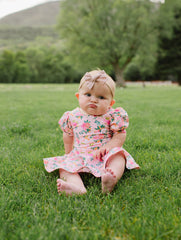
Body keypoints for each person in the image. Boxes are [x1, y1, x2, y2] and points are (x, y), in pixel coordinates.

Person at [43, 70, 140, 195]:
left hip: (106, 154)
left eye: (101, 97)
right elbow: (68, 135)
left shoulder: (112, 115)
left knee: (118, 157)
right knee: (64, 168)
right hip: (80, 154)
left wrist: (108, 147)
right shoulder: (72, 116)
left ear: (111, 103)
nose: (93, 100)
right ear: (78, 96)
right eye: (88, 95)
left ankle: (111, 178)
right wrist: (68, 154)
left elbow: (120, 135)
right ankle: (76, 187)